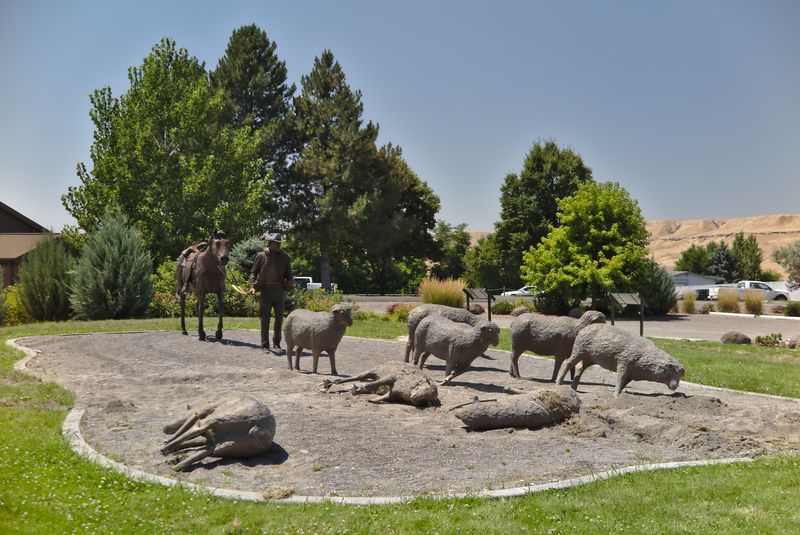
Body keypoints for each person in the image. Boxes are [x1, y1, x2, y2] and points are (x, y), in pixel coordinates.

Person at [249, 233, 293, 351]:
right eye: (276, 243)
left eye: (279, 243)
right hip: (266, 291)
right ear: (269, 243)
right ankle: (264, 344)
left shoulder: (285, 257)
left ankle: (277, 343)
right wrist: (252, 284)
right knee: (265, 318)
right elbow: (253, 272)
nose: (278, 245)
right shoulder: (261, 256)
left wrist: (290, 282)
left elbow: (289, 275)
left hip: (279, 291)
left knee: (279, 318)